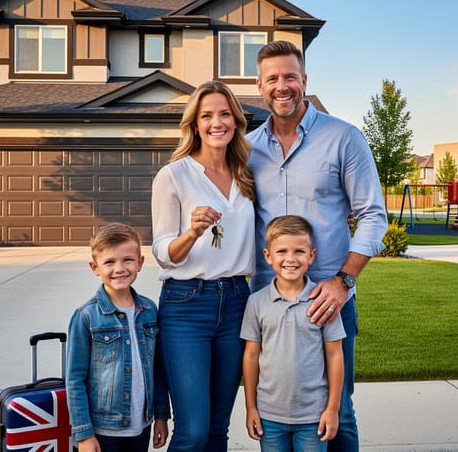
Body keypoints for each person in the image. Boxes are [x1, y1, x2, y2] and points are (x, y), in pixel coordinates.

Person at [247, 40, 388, 452]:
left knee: (338, 413)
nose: (282, 86)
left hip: (329, 297)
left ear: (304, 80)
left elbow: (373, 215)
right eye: (272, 78)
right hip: (269, 303)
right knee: (274, 412)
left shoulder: (344, 138)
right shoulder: (248, 148)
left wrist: (344, 280)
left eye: (290, 76)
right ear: (260, 85)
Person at [151, 80, 255, 451]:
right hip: (186, 304)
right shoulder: (174, 175)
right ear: (194, 124)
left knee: (216, 430)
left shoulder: (247, 174)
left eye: (225, 114)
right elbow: (163, 252)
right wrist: (192, 232)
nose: (217, 122)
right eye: (206, 115)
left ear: (236, 121)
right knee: (192, 432)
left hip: (237, 301)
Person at [241, 215, 346, 452]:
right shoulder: (256, 302)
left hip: (313, 416)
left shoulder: (322, 301)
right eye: (281, 251)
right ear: (268, 256)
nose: (290, 259)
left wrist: (332, 409)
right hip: (270, 415)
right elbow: (250, 356)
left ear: (312, 256)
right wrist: (251, 408)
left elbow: (335, 355)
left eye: (299, 251)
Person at [65, 223, 170, 452]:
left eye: (128, 260)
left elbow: (158, 369)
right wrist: (84, 434)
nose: (119, 268)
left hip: (141, 426)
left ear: (140, 263)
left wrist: (161, 415)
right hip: (103, 431)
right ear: (95, 267)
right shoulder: (86, 317)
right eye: (109, 262)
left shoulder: (149, 311)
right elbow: (74, 379)